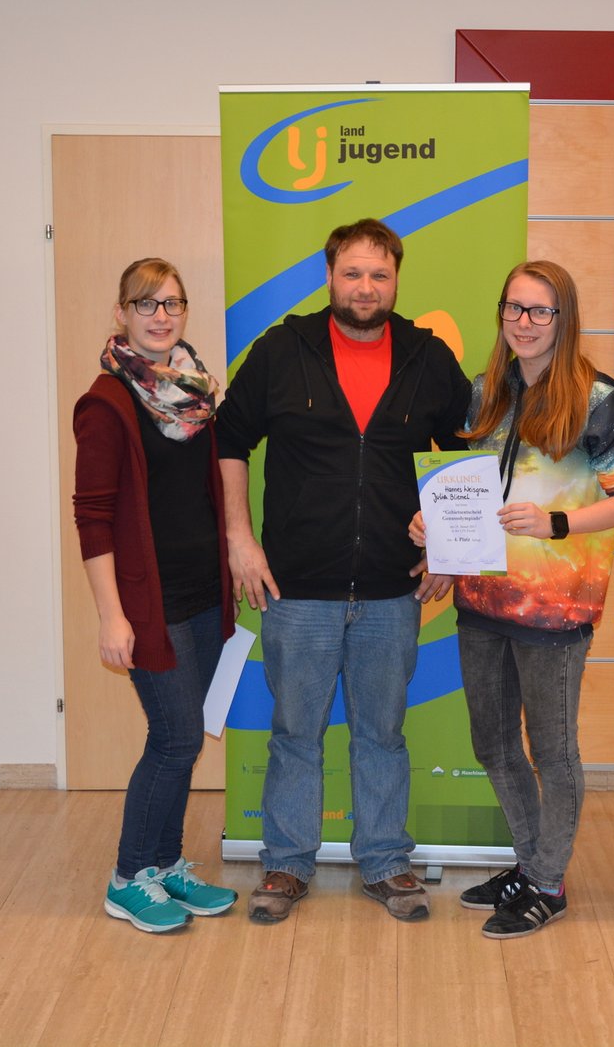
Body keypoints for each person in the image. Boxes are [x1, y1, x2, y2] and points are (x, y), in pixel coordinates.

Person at [216, 218, 473, 924]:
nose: (365, 287)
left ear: (396, 281)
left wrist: (448, 549)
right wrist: (240, 540)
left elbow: (463, 454)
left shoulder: (427, 357)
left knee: (382, 734)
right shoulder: (282, 351)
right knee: (295, 733)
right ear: (330, 277)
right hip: (296, 588)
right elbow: (229, 440)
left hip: (393, 589)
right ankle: (286, 863)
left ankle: (386, 861)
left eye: (379, 275)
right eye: (353, 273)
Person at [416, 261, 614, 939]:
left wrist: (558, 523)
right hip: (482, 599)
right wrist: (436, 534)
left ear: (562, 319)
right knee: (491, 743)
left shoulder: (599, 400)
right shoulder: (484, 392)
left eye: (540, 311)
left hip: (555, 609)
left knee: (552, 749)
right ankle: (530, 862)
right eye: (513, 308)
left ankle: (548, 882)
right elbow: (465, 485)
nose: (524, 322)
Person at [73, 257, 239, 934]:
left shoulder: (196, 394)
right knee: (174, 739)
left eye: (172, 303)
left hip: (202, 595)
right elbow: (92, 518)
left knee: (186, 740)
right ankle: (126, 878)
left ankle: (165, 865)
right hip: (149, 603)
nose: (161, 316)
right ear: (122, 313)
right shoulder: (107, 403)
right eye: (146, 303)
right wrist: (112, 617)